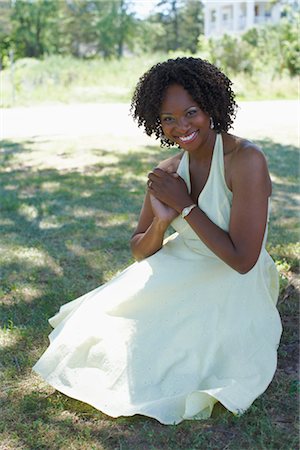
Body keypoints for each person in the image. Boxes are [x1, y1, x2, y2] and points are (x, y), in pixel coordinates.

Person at [33, 57, 282, 425]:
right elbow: (138, 250)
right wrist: (162, 225)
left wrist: (185, 205)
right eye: (168, 118)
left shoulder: (245, 160)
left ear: (211, 106)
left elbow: (243, 259)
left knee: (180, 350)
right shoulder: (168, 172)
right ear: (156, 122)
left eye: (191, 112)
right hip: (180, 262)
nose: (181, 126)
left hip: (232, 276)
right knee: (103, 324)